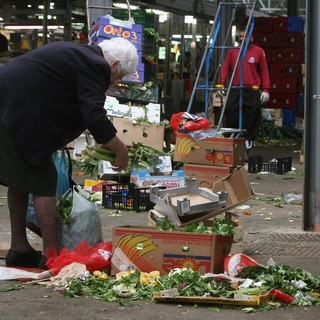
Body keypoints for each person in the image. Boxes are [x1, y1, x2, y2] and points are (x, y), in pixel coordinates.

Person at [0, 37, 138, 268]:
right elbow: (93, 114)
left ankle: (19, 248)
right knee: (44, 181)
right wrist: (120, 149)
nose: (115, 82)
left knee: (22, 178)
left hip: (9, 106)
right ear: (113, 65)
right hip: (16, 110)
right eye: (119, 77)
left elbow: (55, 91)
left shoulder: (79, 53)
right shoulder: (96, 65)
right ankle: (54, 257)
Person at [220, 29, 270, 150]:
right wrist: (221, 84)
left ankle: (248, 138)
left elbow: (264, 71)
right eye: (241, 36)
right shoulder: (233, 51)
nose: (242, 38)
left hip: (251, 89)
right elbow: (225, 68)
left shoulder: (259, 51)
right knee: (231, 110)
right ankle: (232, 136)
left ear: (251, 38)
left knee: (253, 111)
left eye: (245, 36)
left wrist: (266, 90)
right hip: (235, 88)